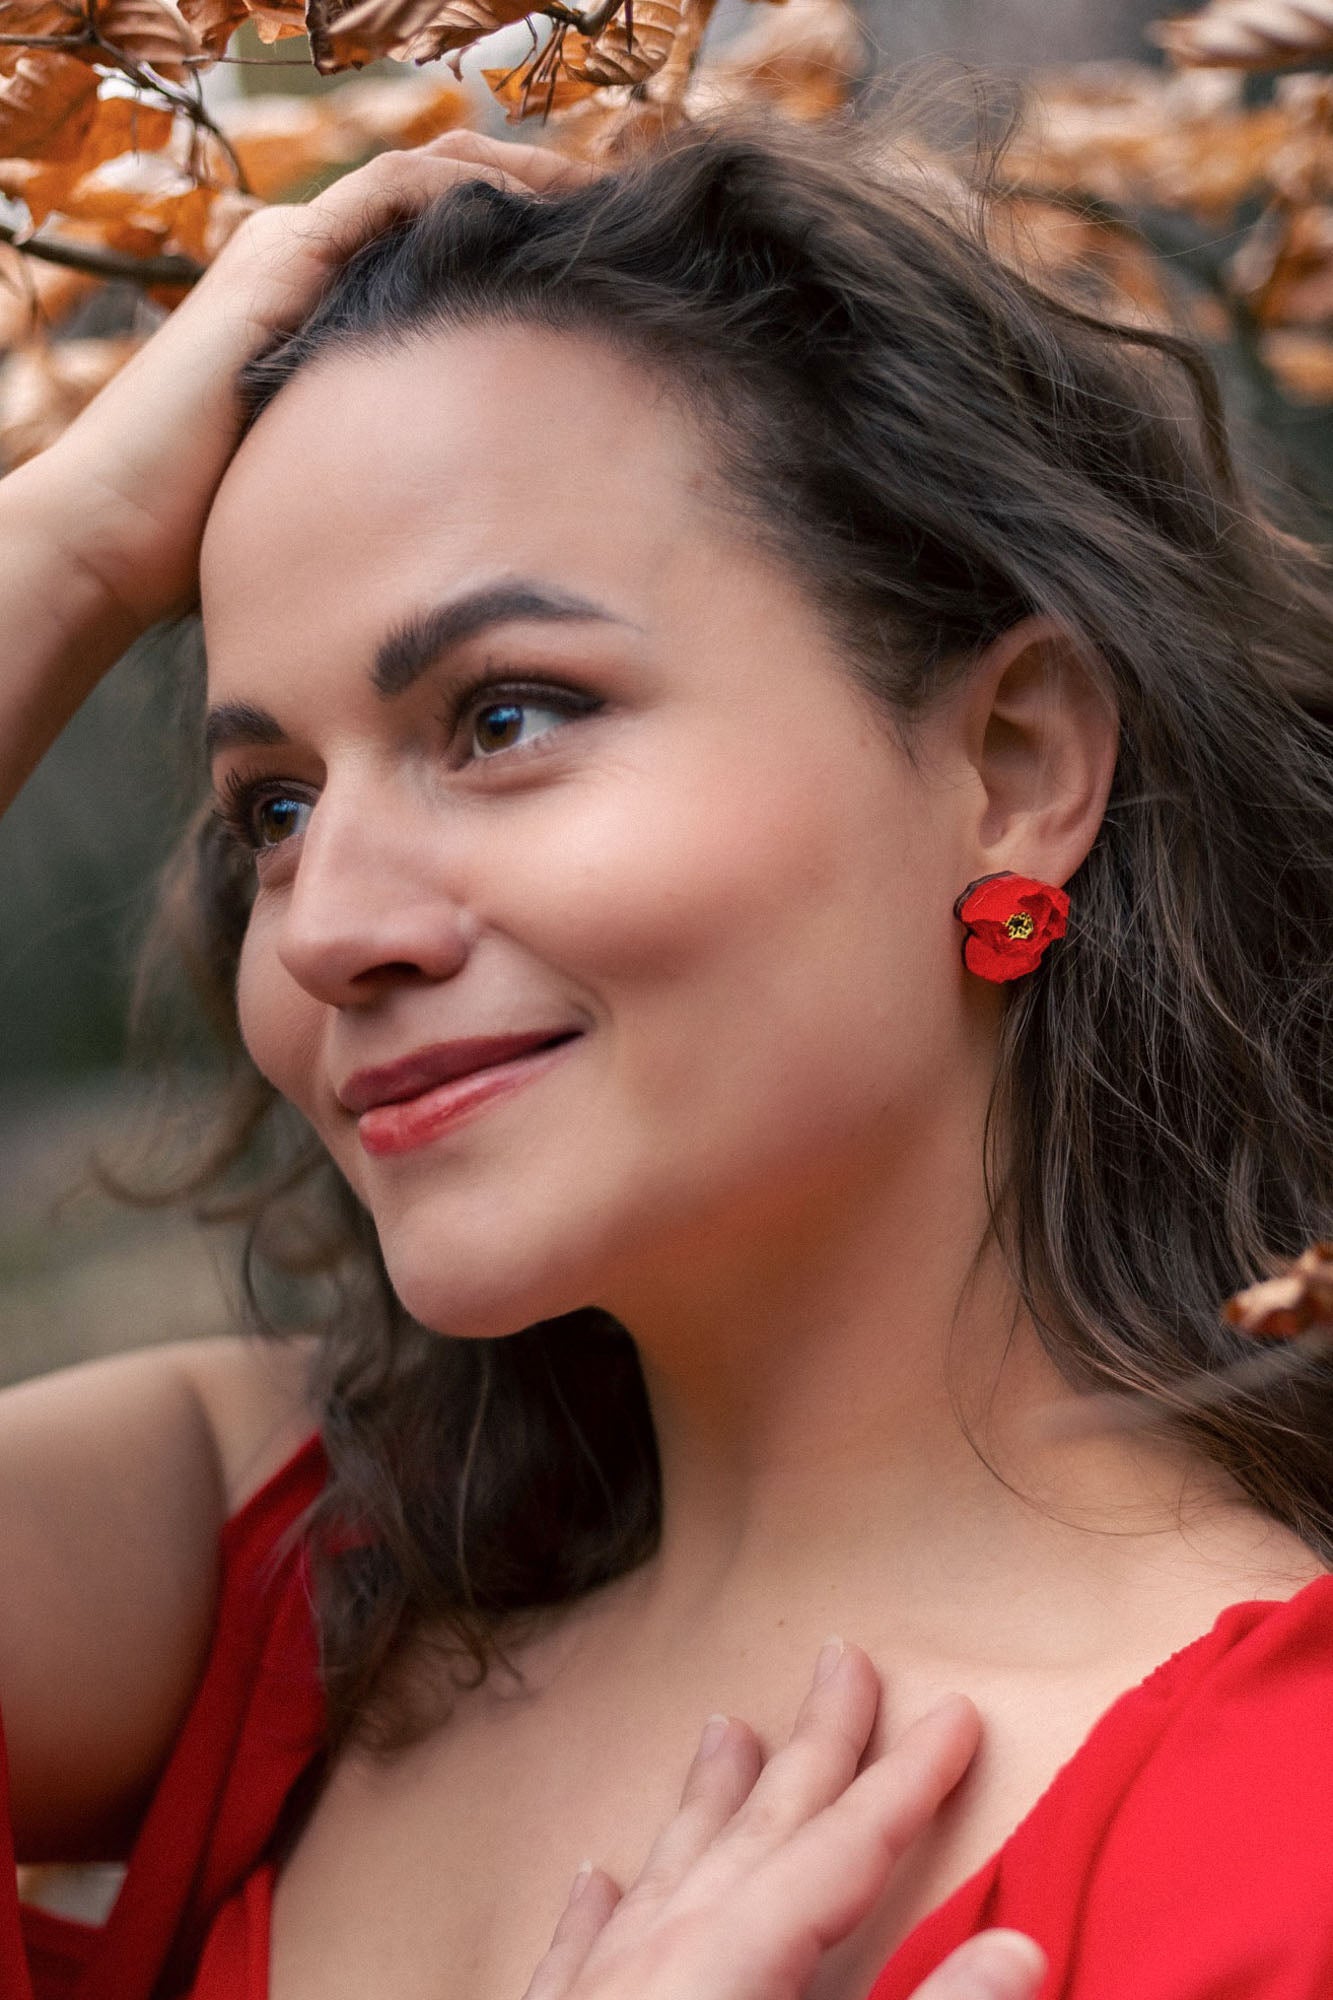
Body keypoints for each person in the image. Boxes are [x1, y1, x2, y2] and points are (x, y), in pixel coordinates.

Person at [0, 108, 1330, 2000]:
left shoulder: (1282, 1837)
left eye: (506, 713)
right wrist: (57, 547)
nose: (322, 926)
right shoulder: (273, 1569)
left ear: (1013, 763)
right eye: (270, 808)